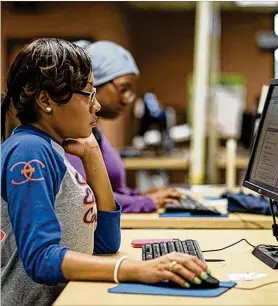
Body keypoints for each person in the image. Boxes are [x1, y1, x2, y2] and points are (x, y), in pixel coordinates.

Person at [1, 38, 210, 306]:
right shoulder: (29, 151)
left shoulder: (53, 149)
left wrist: (92, 156)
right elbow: (40, 259)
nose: (96, 105)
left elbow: (105, 243)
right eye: (88, 93)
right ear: (45, 99)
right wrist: (135, 269)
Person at [65, 40, 185, 213]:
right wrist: (146, 202)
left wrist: (139, 196)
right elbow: (86, 195)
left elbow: (111, 190)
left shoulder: (93, 131)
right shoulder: (70, 135)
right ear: (92, 85)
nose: (128, 98)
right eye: (124, 88)